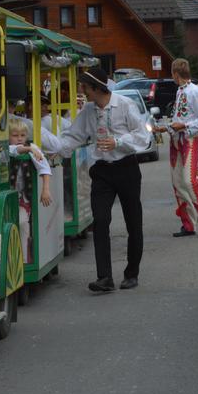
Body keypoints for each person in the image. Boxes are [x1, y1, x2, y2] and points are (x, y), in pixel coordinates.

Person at [56, 67, 151, 292]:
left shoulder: (124, 105)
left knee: (133, 221)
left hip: (126, 168)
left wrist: (117, 142)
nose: (82, 91)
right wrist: (51, 151)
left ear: (97, 87)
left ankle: (131, 273)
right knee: (100, 220)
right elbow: (73, 137)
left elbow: (143, 136)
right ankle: (104, 277)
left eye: (85, 87)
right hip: (101, 171)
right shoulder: (89, 110)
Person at [156, 58, 198, 238]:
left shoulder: (194, 91)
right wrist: (165, 127)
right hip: (176, 141)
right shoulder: (179, 91)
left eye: (172, 74)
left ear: (176, 73)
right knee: (178, 182)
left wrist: (184, 126)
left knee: (190, 181)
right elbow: (179, 118)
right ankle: (188, 224)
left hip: (189, 140)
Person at [8, 117, 53, 263]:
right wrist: (30, 149)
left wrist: (45, 189)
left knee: (22, 223)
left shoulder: (32, 148)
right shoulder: (5, 148)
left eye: (22, 135)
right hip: (6, 197)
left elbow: (44, 167)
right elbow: (14, 151)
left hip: (23, 197)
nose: (19, 139)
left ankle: (24, 261)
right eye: (15, 135)